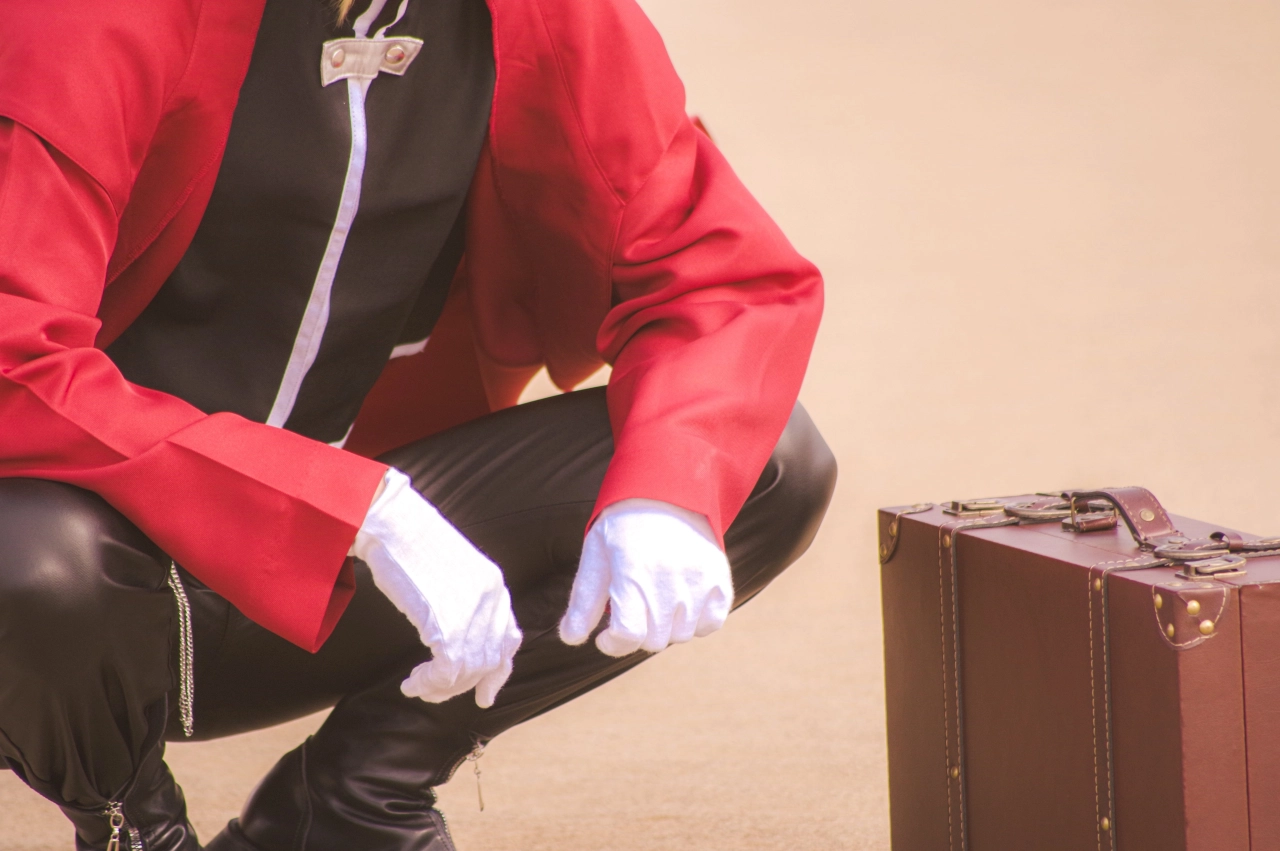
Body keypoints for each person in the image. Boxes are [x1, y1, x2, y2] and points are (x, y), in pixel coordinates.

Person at [0, 0, 835, 847]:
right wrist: (352, 508)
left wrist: (667, 490)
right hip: (79, 602)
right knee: (28, 559)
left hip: (331, 581)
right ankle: (135, 828)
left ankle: (354, 800)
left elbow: (723, 276)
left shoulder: (544, 14)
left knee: (752, 464)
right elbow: (11, 354)